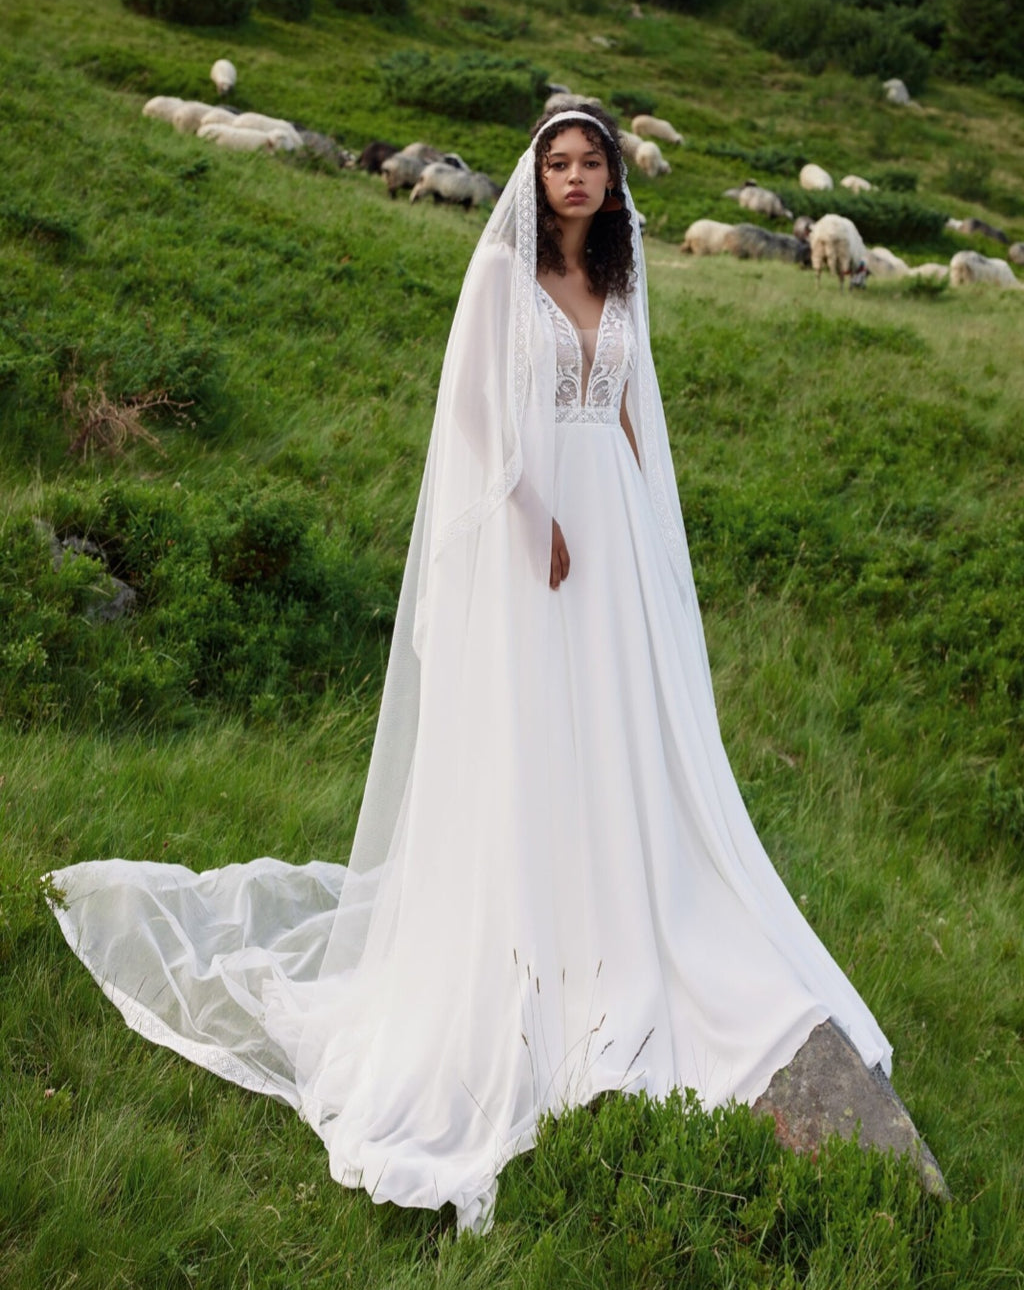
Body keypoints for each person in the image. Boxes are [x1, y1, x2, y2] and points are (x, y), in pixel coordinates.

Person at [49, 108, 890, 1234]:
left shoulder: (629, 283)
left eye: (593, 163)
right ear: (534, 178)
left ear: (613, 181)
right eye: (560, 162)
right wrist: (533, 515)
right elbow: (476, 420)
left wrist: (654, 554)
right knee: (536, 733)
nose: (578, 177)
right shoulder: (502, 273)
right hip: (531, 533)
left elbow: (638, 424)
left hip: (620, 542)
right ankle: (524, 944)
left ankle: (624, 924)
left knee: (622, 735)